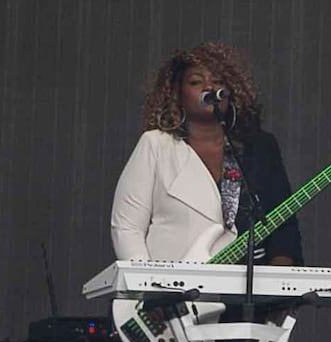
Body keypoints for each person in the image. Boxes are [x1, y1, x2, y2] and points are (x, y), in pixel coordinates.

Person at [110, 44, 302, 268]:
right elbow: (127, 226)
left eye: (218, 81)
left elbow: (283, 223)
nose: (209, 87)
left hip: (242, 292)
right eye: (196, 82)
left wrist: (278, 277)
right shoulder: (156, 145)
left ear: (231, 93)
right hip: (168, 294)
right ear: (178, 94)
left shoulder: (259, 148)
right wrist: (147, 284)